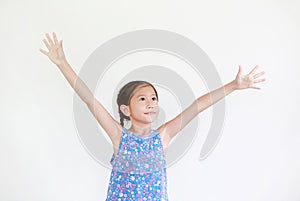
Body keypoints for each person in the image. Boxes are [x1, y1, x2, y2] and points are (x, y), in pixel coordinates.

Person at [40, 32, 266, 200]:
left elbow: (198, 105)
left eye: (154, 98)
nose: (151, 104)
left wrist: (233, 86)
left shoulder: (164, 135)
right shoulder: (119, 136)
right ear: (126, 109)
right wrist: (63, 63)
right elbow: (89, 100)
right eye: (142, 99)